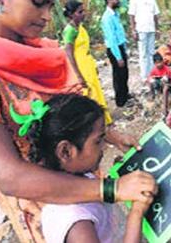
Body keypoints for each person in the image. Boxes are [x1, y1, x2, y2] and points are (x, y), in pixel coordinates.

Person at [0, 0, 157, 242]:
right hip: (47, 211)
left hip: (82, 184)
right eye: (38, 3)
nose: (46, 17)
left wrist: (110, 134)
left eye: (50, 7)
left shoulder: (42, 53)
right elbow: (9, 175)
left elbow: (67, 115)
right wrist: (112, 190)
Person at [21, 94, 152, 243]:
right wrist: (137, 213)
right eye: (98, 140)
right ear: (65, 151)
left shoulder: (79, 177)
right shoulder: (76, 223)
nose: (104, 146)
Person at [62, 0, 112, 124]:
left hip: (88, 64)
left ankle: (103, 120)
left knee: (96, 91)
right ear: (71, 14)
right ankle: (93, 123)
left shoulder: (80, 28)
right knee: (89, 94)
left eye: (83, 11)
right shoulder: (70, 31)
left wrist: (93, 65)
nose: (83, 14)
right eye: (80, 12)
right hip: (80, 66)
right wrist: (78, 75)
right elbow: (69, 53)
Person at [101, 0, 130, 107]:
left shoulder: (115, 14)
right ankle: (120, 101)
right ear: (109, 0)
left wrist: (124, 50)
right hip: (114, 49)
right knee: (118, 74)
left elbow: (119, 34)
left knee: (124, 73)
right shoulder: (107, 18)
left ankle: (125, 95)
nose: (117, 0)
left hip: (120, 47)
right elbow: (111, 38)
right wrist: (118, 56)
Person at [129, 0, 160, 82]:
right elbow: (131, 16)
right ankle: (144, 76)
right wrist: (133, 30)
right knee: (143, 54)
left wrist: (157, 29)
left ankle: (152, 74)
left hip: (151, 28)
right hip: (141, 30)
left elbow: (155, 15)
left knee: (151, 52)